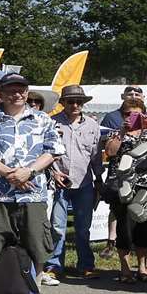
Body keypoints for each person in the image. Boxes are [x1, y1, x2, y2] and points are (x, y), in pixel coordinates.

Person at [0, 73, 61, 292]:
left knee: (36, 242)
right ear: (1, 94)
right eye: (11, 90)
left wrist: (29, 172)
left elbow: (53, 151)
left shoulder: (43, 120)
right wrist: (11, 174)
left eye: (21, 90)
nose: (17, 94)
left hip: (33, 193)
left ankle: (36, 291)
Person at [43, 85, 102, 282]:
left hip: (84, 183)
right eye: (70, 101)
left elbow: (95, 157)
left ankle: (85, 265)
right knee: (57, 227)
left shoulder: (92, 125)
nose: (75, 105)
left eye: (79, 101)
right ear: (63, 103)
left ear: (83, 103)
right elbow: (46, 153)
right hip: (59, 182)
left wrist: (99, 181)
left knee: (83, 228)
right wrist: (54, 172)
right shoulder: (51, 123)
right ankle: (54, 265)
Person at [103, 94, 147, 282]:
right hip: (123, 186)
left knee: (145, 226)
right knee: (124, 228)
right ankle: (125, 269)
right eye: (127, 114)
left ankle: (142, 268)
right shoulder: (117, 132)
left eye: (137, 114)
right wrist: (121, 131)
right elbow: (110, 152)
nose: (131, 117)